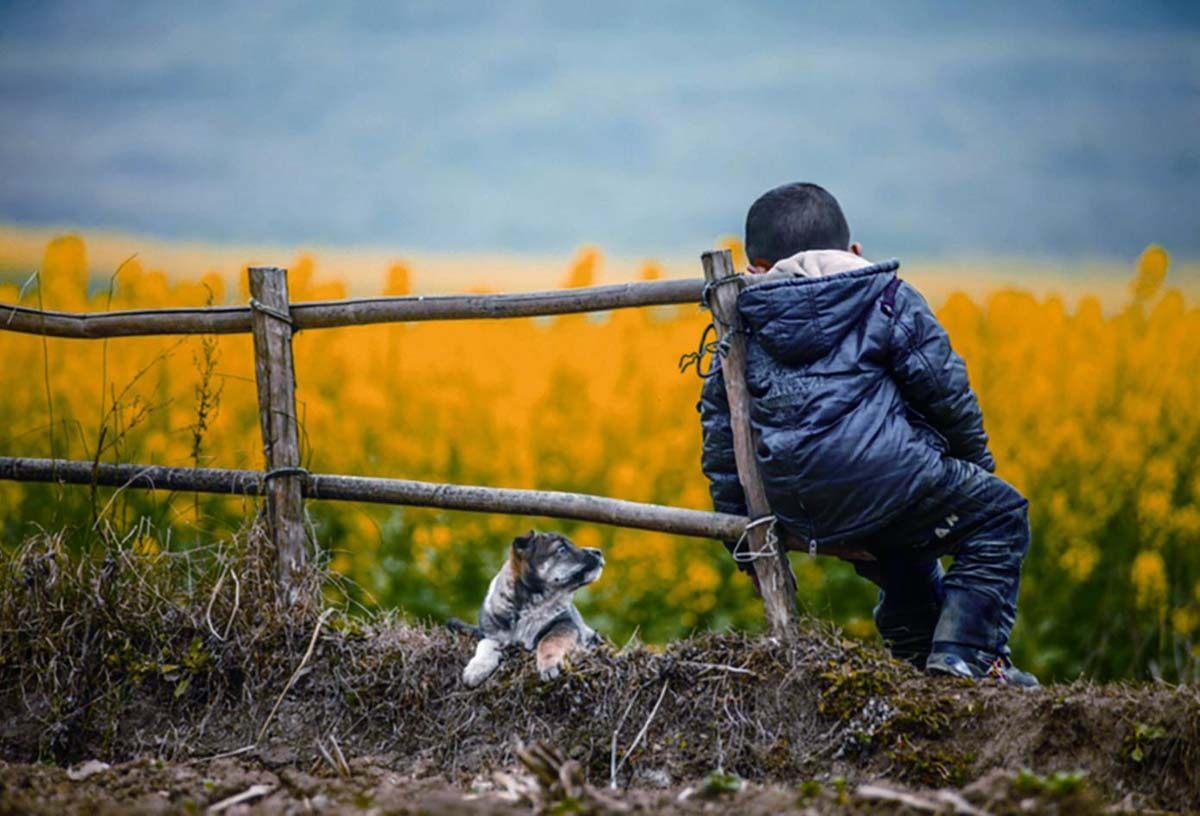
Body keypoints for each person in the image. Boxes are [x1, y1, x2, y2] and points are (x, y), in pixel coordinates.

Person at [698, 182, 1038, 688]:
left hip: (801, 508)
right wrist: (973, 470)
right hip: (889, 483)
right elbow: (946, 391)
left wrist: (741, 536)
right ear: (853, 253)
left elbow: (723, 441)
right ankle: (967, 655)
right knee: (1000, 516)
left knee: (904, 552)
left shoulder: (738, 327)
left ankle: (918, 658)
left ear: (756, 270)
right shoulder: (885, 296)